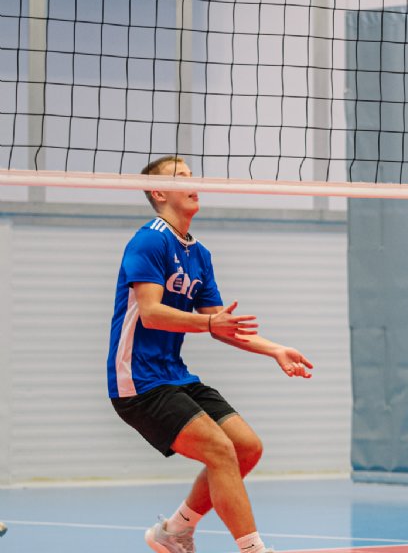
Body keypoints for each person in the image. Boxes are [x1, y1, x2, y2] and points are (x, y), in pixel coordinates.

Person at [107, 156, 314, 553]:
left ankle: (175, 530)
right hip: (138, 381)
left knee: (247, 447)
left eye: (192, 175)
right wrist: (207, 323)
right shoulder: (150, 240)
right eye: (180, 177)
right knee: (219, 449)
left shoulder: (199, 253)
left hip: (174, 375)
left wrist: (274, 349)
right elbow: (151, 314)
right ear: (159, 192)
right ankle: (253, 550)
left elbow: (221, 324)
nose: (193, 182)